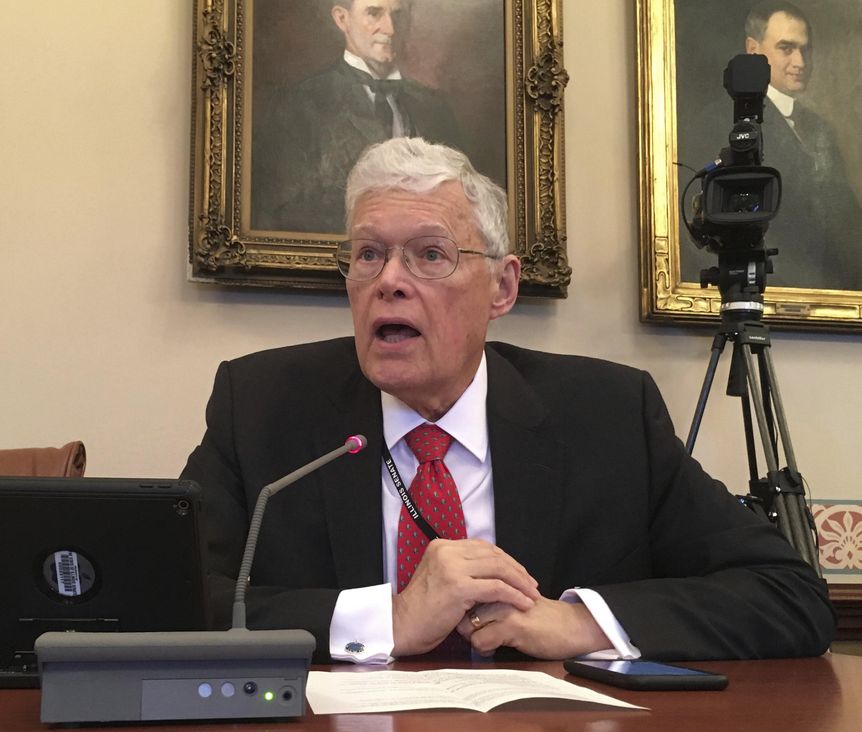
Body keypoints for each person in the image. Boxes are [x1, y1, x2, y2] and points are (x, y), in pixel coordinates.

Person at [183, 137, 835, 665]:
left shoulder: (609, 416)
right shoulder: (262, 407)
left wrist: (577, 622)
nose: (388, 283)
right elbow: (172, 601)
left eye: (429, 255)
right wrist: (389, 619)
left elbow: (788, 596)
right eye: (368, 255)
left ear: (501, 287)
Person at [681, 1, 862, 290]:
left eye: (806, 49)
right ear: (753, 50)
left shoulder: (820, 130)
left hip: (823, 290)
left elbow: (845, 221)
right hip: (766, 286)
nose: (800, 62)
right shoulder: (718, 123)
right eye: (786, 48)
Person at [251, 0, 463, 233]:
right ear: (342, 19)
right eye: (374, 13)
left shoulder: (434, 109)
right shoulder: (300, 105)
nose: (390, 29)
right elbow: (280, 212)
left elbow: (458, 207)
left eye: (398, 16)